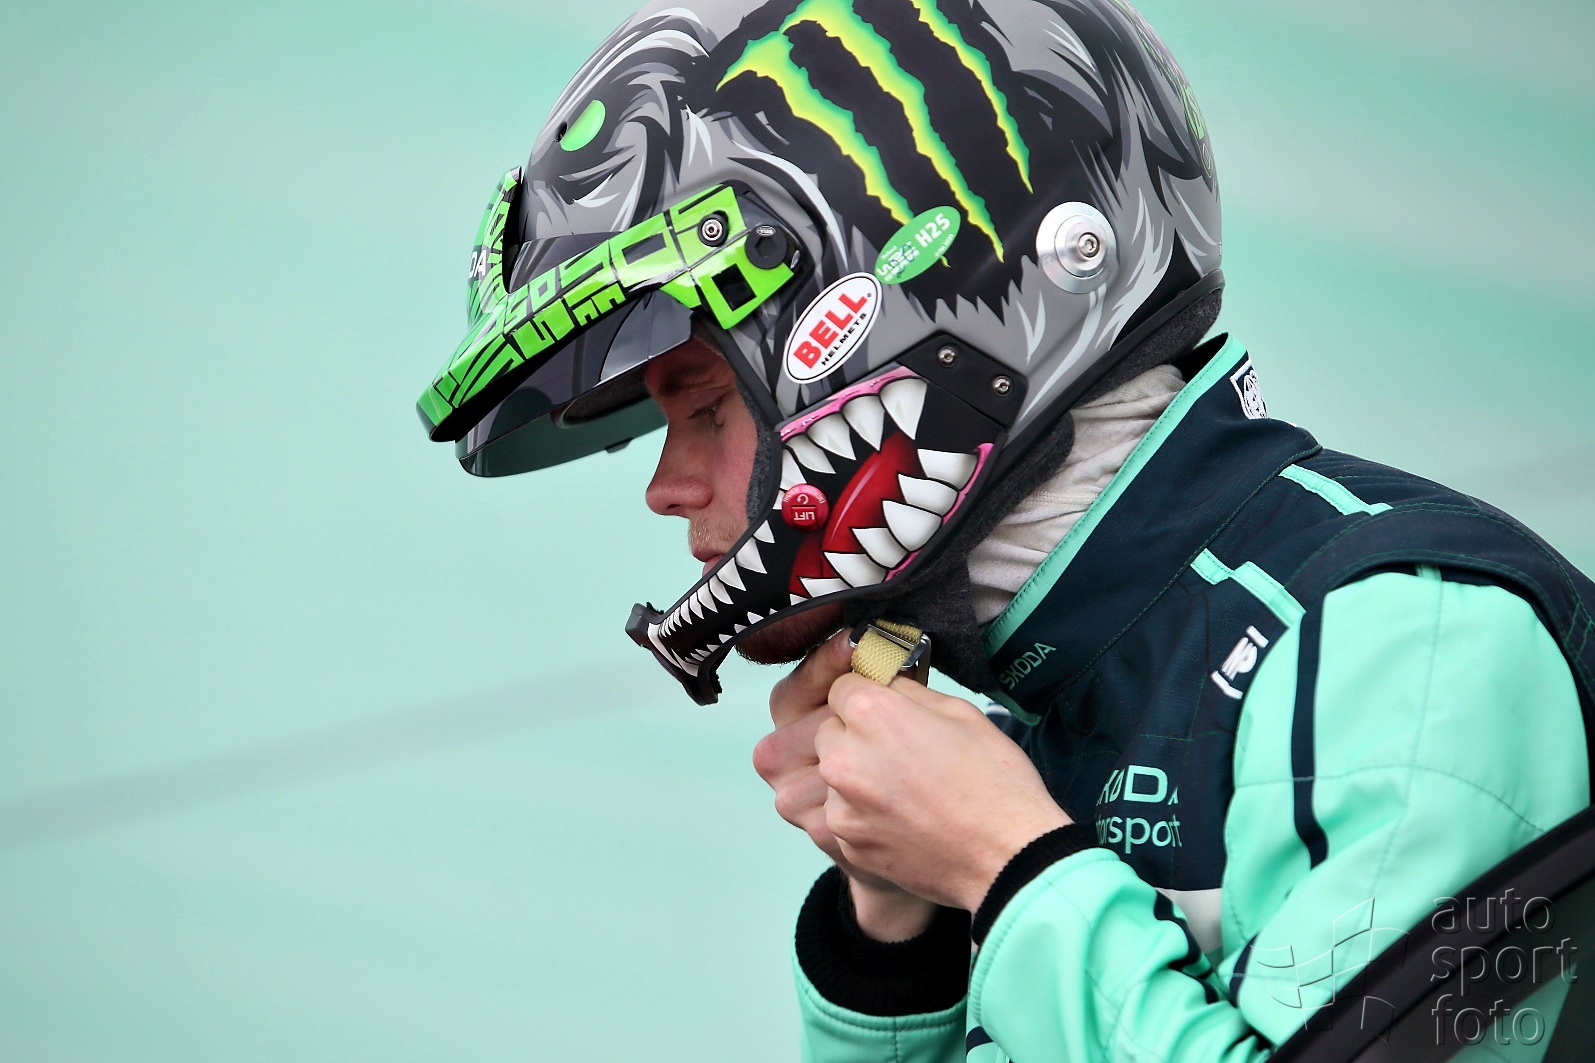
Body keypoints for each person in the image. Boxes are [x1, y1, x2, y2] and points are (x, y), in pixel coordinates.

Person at [415, 0, 1595, 1057]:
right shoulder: (1042, 706)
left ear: (900, 320)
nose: (666, 489)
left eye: (706, 407)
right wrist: (895, 939)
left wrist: (1009, 865)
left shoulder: (1406, 644)